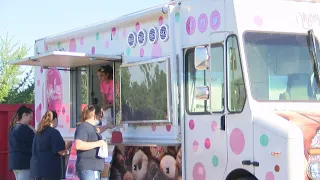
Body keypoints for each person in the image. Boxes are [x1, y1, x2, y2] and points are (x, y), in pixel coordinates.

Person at [30, 110, 69, 180]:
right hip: (50, 170)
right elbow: (60, 151)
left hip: (37, 169)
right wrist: (68, 150)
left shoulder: (38, 133)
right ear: (55, 119)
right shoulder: (54, 133)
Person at [75, 105, 111, 180]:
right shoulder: (83, 127)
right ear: (95, 116)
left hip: (94, 168)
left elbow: (97, 131)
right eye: (100, 117)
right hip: (88, 168)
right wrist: (98, 143)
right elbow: (78, 145)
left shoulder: (92, 127)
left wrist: (107, 126)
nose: (100, 119)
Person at [8, 105, 35, 180]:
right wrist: (34, 131)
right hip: (24, 163)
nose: (31, 120)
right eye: (30, 117)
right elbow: (37, 141)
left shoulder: (12, 128)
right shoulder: (25, 129)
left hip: (14, 163)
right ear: (24, 115)